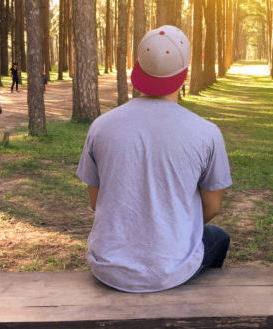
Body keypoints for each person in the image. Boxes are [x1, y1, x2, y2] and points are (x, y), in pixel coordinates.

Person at [76, 26, 233, 293]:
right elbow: (213, 207)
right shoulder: (207, 133)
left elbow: (95, 202)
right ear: (185, 73)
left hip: (107, 266)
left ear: (137, 68)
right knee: (218, 237)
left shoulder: (101, 127)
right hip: (170, 270)